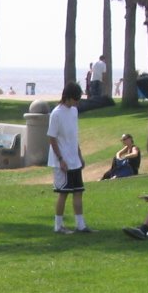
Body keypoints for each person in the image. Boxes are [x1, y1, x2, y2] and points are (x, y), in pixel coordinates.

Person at [48, 82, 91, 234]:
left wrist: (79, 155)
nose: (77, 102)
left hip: (74, 159)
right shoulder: (56, 114)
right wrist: (60, 159)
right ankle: (58, 226)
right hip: (62, 160)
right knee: (63, 193)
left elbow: (74, 136)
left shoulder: (74, 111)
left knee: (78, 191)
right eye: (76, 99)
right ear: (68, 97)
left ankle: (81, 225)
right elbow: (52, 138)